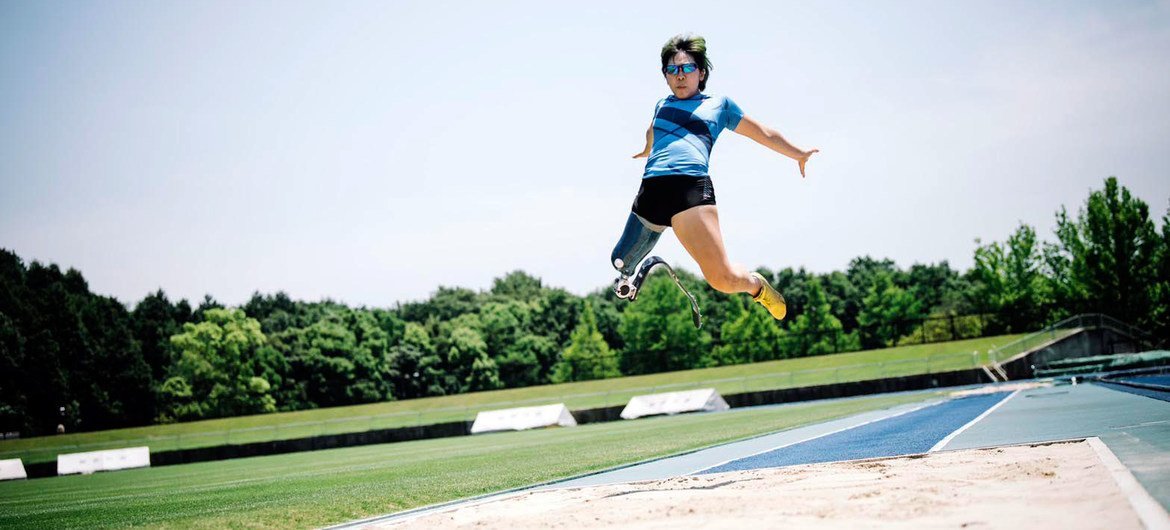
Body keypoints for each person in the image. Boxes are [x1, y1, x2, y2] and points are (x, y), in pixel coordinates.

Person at [610, 33, 819, 320]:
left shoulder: (719, 106)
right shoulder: (661, 105)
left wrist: (798, 154)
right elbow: (652, 131)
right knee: (619, 261)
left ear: (701, 73)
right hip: (651, 191)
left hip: (690, 191)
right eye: (672, 70)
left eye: (686, 68)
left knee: (722, 279)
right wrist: (648, 149)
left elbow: (765, 133)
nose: (679, 76)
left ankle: (757, 286)